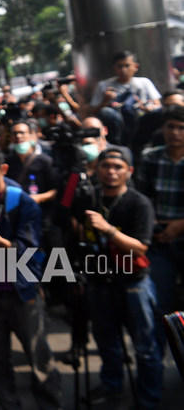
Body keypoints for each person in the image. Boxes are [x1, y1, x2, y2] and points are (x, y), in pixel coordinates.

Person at [0, 141, 62, 409]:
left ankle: (50, 405)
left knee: (39, 356)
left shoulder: (24, 203)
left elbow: (29, 250)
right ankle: (9, 404)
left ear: (3, 169)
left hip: (22, 290)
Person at [74, 147, 161, 407]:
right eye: (106, 166)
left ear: (129, 171)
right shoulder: (90, 198)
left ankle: (148, 398)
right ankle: (112, 386)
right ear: (97, 169)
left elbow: (141, 247)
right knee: (106, 340)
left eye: (118, 167)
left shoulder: (139, 203)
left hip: (134, 283)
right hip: (100, 282)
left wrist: (108, 229)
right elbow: (78, 234)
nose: (111, 172)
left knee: (145, 347)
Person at [136, 104, 184, 357]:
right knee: (161, 305)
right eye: (170, 127)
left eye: (180, 128)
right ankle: (158, 363)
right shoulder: (151, 158)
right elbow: (143, 199)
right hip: (160, 240)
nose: (174, 132)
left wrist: (180, 225)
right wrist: (155, 227)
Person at [90, 50, 161, 145]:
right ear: (114, 68)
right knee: (106, 112)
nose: (123, 70)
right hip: (117, 124)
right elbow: (93, 112)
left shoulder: (144, 82)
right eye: (119, 66)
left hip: (140, 122)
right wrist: (105, 100)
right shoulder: (103, 85)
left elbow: (158, 105)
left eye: (127, 66)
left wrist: (148, 108)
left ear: (135, 67)